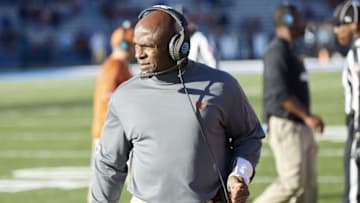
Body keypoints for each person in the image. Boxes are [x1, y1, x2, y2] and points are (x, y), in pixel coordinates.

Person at [90, 5, 264, 203]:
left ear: (178, 46)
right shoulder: (124, 96)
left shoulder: (222, 86)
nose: (139, 54)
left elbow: (249, 136)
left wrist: (239, 174)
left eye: (148, 46)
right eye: (136, 45)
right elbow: (109, 166)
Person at [254, 4, 325, 203]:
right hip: (286, 124)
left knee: (307, 187)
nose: (304, 22)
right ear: (288, 22)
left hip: (299, 125)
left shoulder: (290, 50)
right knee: (291, 183)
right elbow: (280, 95)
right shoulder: (277, 51)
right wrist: (308, 117)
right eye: (299, 18)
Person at [88, 24, 134, 202]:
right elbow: (108, 99)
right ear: (125, 45)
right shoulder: (115, 66)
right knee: (102, 186)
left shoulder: (118, 65)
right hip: (109, 133)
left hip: (112, 132)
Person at [333, 1, 360, 202]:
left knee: (353, 191)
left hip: (357, 123)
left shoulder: (357, 52)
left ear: (354, 24)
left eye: (340, 24)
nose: (336, 30)